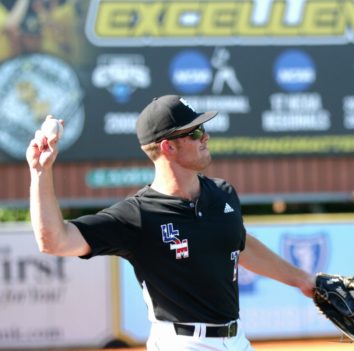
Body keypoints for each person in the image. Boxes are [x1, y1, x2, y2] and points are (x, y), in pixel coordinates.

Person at [27, 95, 316, 351]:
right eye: (196, 132)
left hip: (237, 339)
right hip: (181, 342)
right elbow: (54, 240)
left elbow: (238, 243)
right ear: (168, 147)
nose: (206, 137)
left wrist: (304, 280)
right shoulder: (137, 215)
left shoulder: (222, 194)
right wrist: (41, 173)